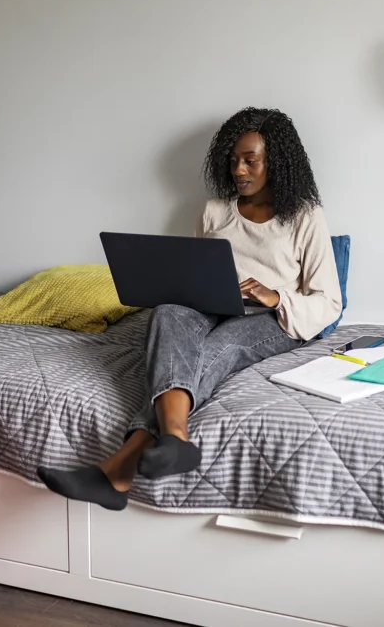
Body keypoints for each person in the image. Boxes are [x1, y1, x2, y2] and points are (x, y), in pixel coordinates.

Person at [38, 107, 342, 510]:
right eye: (234, 160)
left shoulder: (306, 216)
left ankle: (127, 465)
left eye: (251, 160)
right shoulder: (214, 211)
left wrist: (277, 297)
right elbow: (196, 270)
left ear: (278, 162)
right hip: (211, 305)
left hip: (275, 318)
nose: (239, 169)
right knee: (166, 313)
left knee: (222, 344)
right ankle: (170, 445)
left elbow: (329, 302)